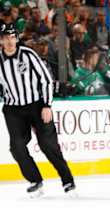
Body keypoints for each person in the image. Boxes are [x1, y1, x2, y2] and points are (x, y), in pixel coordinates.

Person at [0, 24, 75, 196]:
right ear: (1, 40)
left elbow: (46, 80)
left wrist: (47, 105)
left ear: (16, 39)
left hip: (36, 105)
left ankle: (67, 180)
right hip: (12, 109)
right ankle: (35, 180)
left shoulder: (28, 55)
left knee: (48, 145)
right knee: (16, 147)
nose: (10, 41)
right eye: (6, 37)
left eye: (12, 37)